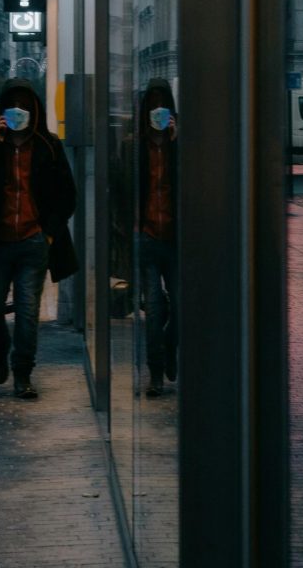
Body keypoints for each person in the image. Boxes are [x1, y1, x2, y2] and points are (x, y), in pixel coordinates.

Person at [0, 79, 78, 399]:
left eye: (25, 108)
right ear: (2, 112)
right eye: (12, 108)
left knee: (27, 312)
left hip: (33, 242)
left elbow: (67, 196)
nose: (19, 113)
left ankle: (23, 373)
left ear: (35, 111)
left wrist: (48, 233)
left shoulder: (48, 145)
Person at [137, 78, 179, 397]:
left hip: (176, 240)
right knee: (152, 312)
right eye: (152, 105)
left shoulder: (180, 145)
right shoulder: (137, 147)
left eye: (162, 105)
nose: (157, 110)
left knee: (180, 308)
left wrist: (176, 144)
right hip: (149, 238)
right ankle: (155, 373)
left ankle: (169, 348)